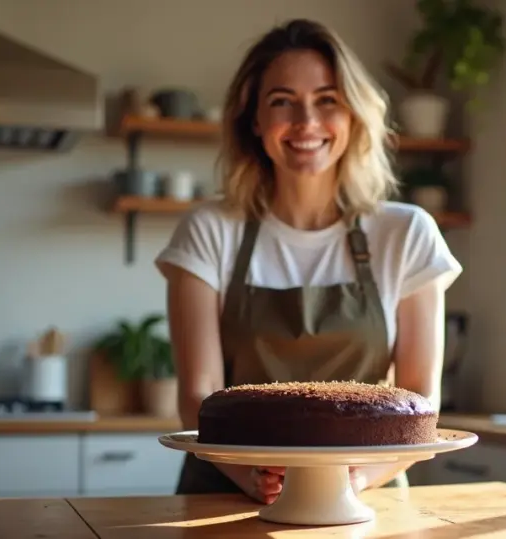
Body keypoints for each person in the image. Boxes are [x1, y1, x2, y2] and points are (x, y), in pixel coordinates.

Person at [154, 18, 462, 505]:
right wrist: (254, 475)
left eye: (327, 100)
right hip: (227, 495)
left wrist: (352, 480)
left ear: (354, 115)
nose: (306, 122)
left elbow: (420, 400)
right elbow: (199, 393)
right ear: (253, 120)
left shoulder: (406, 233)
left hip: (368, 496)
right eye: (281, 101)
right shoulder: (210, 231)